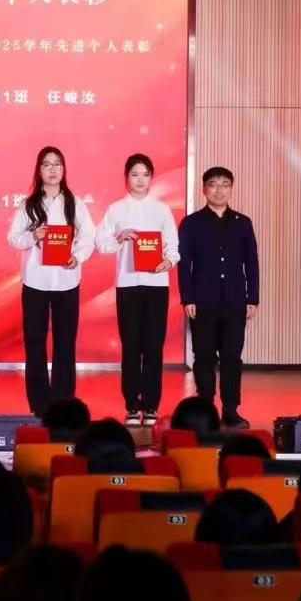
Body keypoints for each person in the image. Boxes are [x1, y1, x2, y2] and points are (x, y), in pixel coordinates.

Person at [7, 147, 95, 418]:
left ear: (63, 169)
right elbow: (13, 238)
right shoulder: (28, 205)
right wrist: (33, 236)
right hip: (35, 282)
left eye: (57, 164)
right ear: (39, 170)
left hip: (66, 282)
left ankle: (63, 404)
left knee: (65, 344)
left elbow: (88, 237)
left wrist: (76, 257)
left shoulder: (75, 204)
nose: (53, 169)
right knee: (35, 344)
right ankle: (38, 404)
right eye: (47, 164)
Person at [96, 154, 180, 427]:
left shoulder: (162, 210)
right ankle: (132, 405)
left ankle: (151, 405)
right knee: (131, 346)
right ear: (126, 178)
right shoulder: (116, 210)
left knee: (154, 347)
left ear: (151, 178)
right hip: (128, 285)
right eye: (135, 174)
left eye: (145, 175)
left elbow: (173, 246)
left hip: (156, 285)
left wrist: (169, 261)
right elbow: (101, 244)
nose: (140, 180)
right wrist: (118, 239)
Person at [178, 166, 259, 429]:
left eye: (225, 184)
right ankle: (205, 409)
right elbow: (184, 264)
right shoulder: (191, 223)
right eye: (213, 184)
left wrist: (252, 298)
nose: (219, 190)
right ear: (204, 189)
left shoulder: (243, 223)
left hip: (235, 301)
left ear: (231, 189)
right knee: (203, 355)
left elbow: (251, 262)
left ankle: (231, 409)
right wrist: (187, 298)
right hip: (202, 300)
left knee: (232, 357)